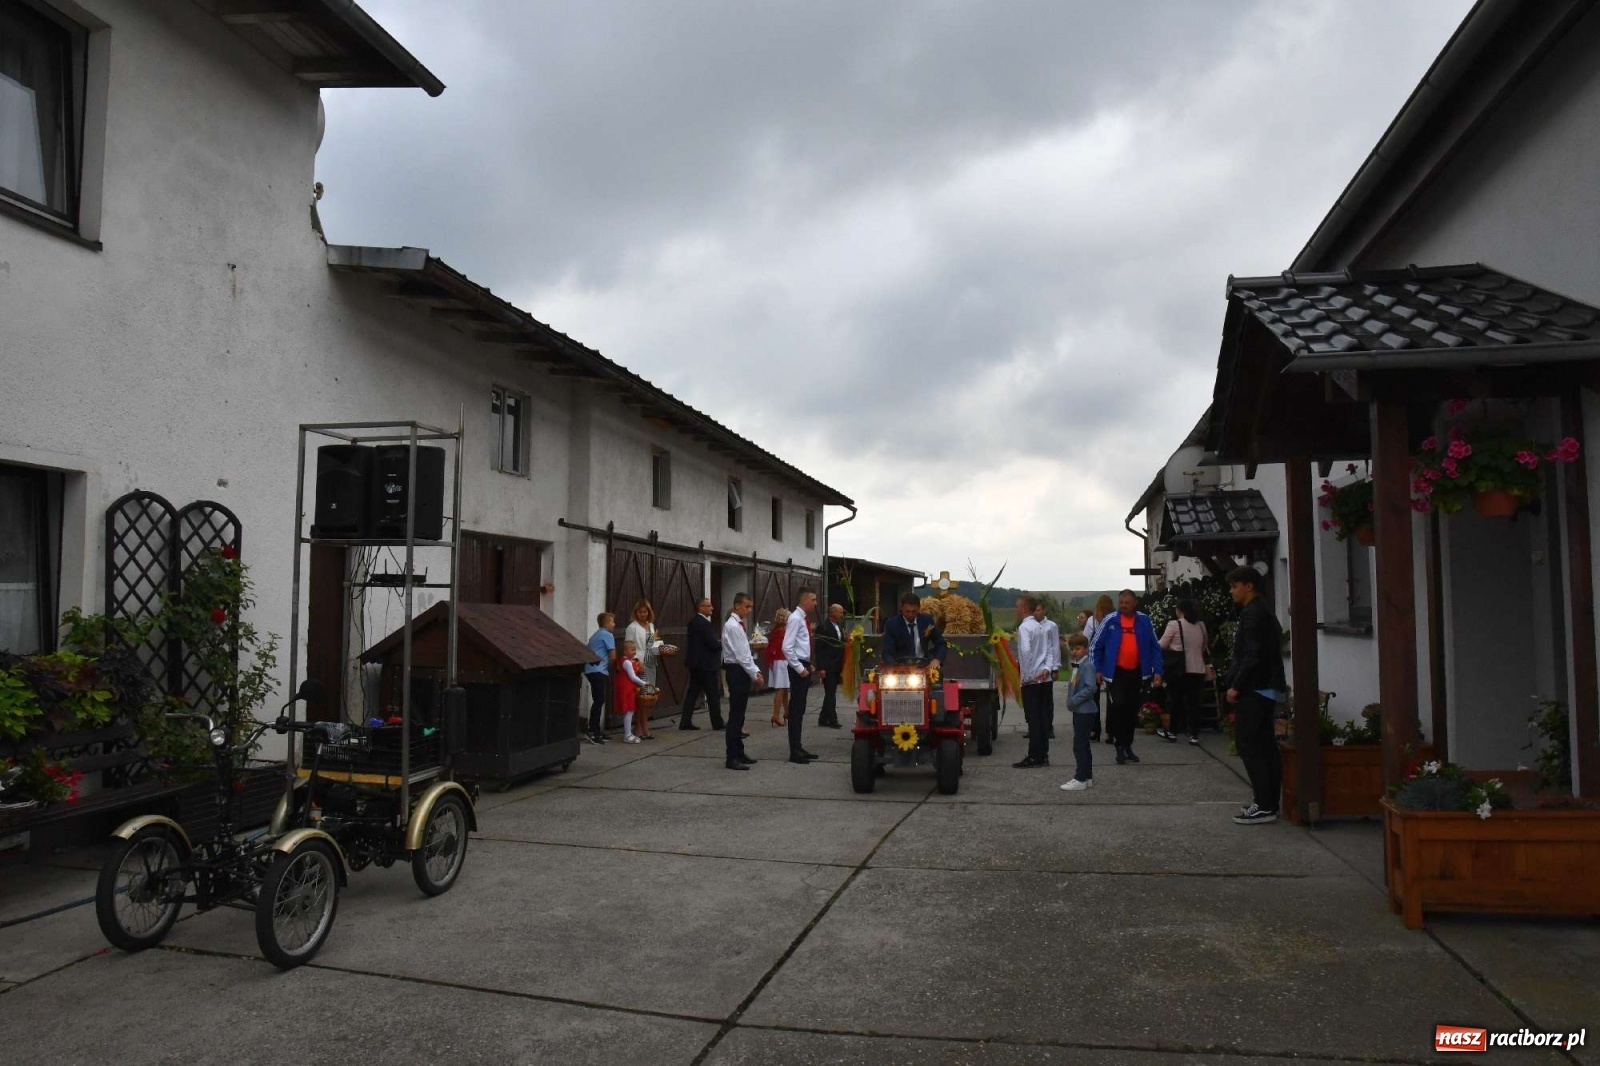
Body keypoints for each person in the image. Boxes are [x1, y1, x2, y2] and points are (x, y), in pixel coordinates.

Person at [1226, 566, 1286, 825]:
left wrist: (1236, 686)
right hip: (1266, 686)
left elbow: (1252, 655)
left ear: (1249, 586)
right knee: (1265, 747)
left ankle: (1264, 804)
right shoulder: (1263, 609)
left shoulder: (1252, 614)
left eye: (1235, 586)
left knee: (1250, 745)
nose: (1232, 591)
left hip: (1255, 688)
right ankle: (1269, 802)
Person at [1091, 589, 1163, 766]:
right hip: (1115, 673)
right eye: (1121, 602)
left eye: (1127, 603)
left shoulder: (1144, 620)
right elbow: (1095, 646)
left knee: (1132, 711)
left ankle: (1128, 745)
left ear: (1135, 603)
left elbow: (1155, 647)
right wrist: (1097, 669)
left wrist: (1158, 671)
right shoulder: (1110, 621)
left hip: (1138, 672)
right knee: (1119, 707)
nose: (1123, 606)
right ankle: (1119, 746)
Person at [1157, 599, 1212, 745]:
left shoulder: (1175, 624)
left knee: (1175, 701)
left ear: (1179, 610)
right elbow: (1204, 646)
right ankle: (1194, 734)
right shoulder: (1201, 625)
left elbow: (1162, 644)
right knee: (1194, 703)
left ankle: (1173, 731)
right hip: (1198, 668)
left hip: (1179, 669)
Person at [721, 593, 763, 770]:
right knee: (736, 716)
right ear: (737, 606)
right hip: (737, 670)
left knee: (740, 714)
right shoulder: (733, 626)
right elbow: (742, 656)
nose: (749, 610)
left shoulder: (738, 625)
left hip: (740, 669)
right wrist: (755, 673)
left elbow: (745, 652)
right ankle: (732, 757)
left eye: (750, 606)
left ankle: (739, 752)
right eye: (746, 606)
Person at [1013, 594, 1052, 769]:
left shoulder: (1024, 628)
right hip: (1044, 678)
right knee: (1043, 718)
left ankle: (1034, 755)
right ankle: (1043, 754)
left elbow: (1026, 652)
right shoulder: (1041, 627)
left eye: (1017, 607)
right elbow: (1050, 650)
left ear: (1023, 608)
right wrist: (1047, 669)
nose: (1015, 610)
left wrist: (1028, 675)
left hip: (1031, 680)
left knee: (1033, 719)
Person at [782, 588, 820, 764]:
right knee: (796, 709)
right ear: (804, 601)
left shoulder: (802, 618)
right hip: (797, 667)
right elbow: (787, 647)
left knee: (801, 708)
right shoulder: (795, 619)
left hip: (803, 663)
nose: (815, 603)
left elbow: (800, 645)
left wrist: (807, 664)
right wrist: (799, 667)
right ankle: (794, 751)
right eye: (813, 600)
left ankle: (798, 746)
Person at [1060, 633, 1099, 791]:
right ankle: (1087, 776)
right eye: (1072, 649)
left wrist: (1073, 700)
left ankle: (1080, 777)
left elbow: (1091, 688)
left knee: (1079, 745)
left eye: (1078, 648)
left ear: (1086, 649)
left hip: (1085, 711)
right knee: (1083, 744)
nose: (1074, 652)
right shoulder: (1077, 664)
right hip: (1079, 711)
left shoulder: (1087, 666)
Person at [680, 597, 725, 731]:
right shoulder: (703, 623)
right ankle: (717, 723)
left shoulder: (694, 622)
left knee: (693, 692)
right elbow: (712, 643)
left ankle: (685, 721)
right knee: (713, 694)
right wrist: (722, 643)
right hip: (706, 665)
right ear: (701, 608)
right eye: (708, 606)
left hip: (696, 664)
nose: (712, 608)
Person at [880, 593, 947, 667]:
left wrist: (937, 659)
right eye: (907, 611)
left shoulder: (927, 621)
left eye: (913, 611)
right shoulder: (892, 624)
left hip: (924, 664)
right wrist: (893, 667)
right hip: (900, 666)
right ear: (901, 608)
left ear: (919, 608)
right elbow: (887, 651)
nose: (910, 615)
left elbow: (940, 643)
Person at [1026, 601, 1061, 740]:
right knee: (1032, 702)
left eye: (1039, 610)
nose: (1036, 613)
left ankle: (1048, 727)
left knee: (1046, 701)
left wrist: (1055, 668)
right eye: (1034, 610)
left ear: (1044, 610)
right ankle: (1033, 727)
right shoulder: (1029, 626)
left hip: (1047, 667)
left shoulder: (1051, 626)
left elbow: (1054, 646)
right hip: (1033, 670)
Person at [1084, 593, 1115, 743]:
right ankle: (1111, 731)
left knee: (1093, 697)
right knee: (1112, 698)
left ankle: (1094, 730)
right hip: (1110, 661)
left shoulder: (1092, 621)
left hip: (1095, 661)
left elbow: (1086, 640)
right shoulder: (1114, 619)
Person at [583, 612, 616, 745]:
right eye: (612, 622)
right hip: (598, 670)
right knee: (599, 700)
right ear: (607, 623)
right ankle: (592, 731)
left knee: (598, 699)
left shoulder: (596, 635)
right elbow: (613, 656)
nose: (614, 624)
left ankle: (596, 730)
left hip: (590, 669)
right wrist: (609, 669)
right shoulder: (608, 635)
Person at [814, 603, 847, 728]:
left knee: (830, 692)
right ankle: (833, 720)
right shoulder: (823, 627)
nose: (842, 615)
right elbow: (819, 649)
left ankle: (822, 718)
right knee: (830, 693)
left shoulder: (839, 625)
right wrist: (821, 667)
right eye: (840, 612)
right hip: (828, 665)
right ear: (832, 613)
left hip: (837, 664)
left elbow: (840, 642)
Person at [614, 640, 646, 743]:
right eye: (631, 650)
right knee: (629, 710)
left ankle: (628, 734)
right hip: (626, 687)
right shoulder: (627, 662)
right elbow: (632, 677)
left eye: (634, 650)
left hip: (628, 687)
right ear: (625, 651)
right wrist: (644, 683)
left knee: (630, 710)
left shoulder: (630, 661)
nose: (634, 652)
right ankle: (627, 735)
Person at [625, 600, 660, 687]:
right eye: (640, 612)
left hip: (651, 662)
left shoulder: (651, 626)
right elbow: (628, 647)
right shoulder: (632, 627)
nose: (642, 614)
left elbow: (652, 642)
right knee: (641, 691)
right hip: (639, 663)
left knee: (651, 690)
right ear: (636, 613)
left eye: (645, 612)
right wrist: (637, 662)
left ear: (649, 612)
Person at [767, 607, 790, 727]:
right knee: (781, 689)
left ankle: (787, 712)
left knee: (784, 688)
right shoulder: (784, 632)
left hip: (777, 661)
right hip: (782, 661)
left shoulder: (775, 631)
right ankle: (776, 715)